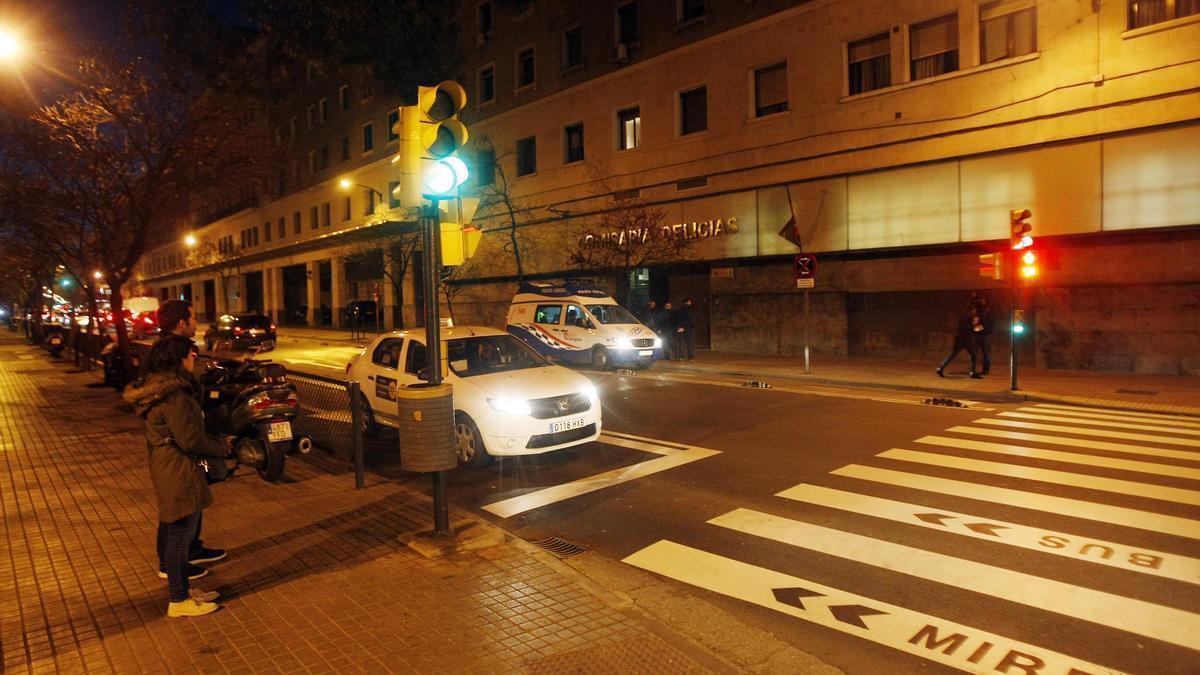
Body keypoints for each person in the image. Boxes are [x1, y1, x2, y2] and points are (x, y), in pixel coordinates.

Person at [124, 336, 231, 617]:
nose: (194, 360)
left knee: (177, 532)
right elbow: (192, 440)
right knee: (181, 535)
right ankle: (179, 599)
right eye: (190, 355)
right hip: (179, 468)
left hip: (168, 464)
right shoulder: (176, 397)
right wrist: (224, 447)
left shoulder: (158, 390)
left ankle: (183, 591)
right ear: (179, 359)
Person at [150, 300, 228, 586]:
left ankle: (189, 553)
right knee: (178, 514)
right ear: (181, 323)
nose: (197, 323)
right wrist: (220, 448)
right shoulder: (175, 384)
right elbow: (189, 435)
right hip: (178, 456)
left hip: (175, 453)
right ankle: (175, 578)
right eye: (193, 318)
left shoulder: (166, 358)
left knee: (184, 509)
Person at [937, 305, 981, 378]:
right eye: (974, 310)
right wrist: (974, 325)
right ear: (971, 310)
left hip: (959, 338)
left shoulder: (964, 317)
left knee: (953, 354)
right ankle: (972, 372)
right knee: (973, 354)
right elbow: (965, 328)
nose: (975, 311)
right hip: (965, 339)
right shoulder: (967, 317)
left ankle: (940, 368)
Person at [972, 296, 994, 376]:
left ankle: (986, 370)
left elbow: (991, 322)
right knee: (974, 351)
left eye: (983, 300)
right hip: (978, 333)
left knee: (986, 353)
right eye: (981, 300)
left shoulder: (989, 310)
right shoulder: (979, 309)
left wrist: (983, 327)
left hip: (985, 334)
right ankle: (973, 369)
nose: (982, 301)